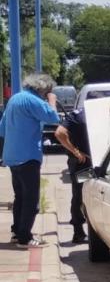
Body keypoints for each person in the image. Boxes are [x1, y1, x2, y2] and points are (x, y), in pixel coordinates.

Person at [0, 74, 60, 248]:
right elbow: (53, 117)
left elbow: (2, 128)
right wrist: (52, 100)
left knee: (20, 197)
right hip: (28, 156)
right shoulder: (33, 100)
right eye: (48, 91)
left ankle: (17, 231)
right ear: (42, 89)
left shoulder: (14, 99)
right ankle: (24, 238)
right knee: (31, 199)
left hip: (12, 156)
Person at [55, 107, 92, 243]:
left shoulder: (77, 115)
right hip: (89, 164)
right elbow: (59, 133)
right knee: (84, 194)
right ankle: (80, 230)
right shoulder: (83, 115)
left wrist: (75, 152)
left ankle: (78, 231)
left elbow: (60, 133)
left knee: (80, 194)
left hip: (84, 164)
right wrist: (76, 152)